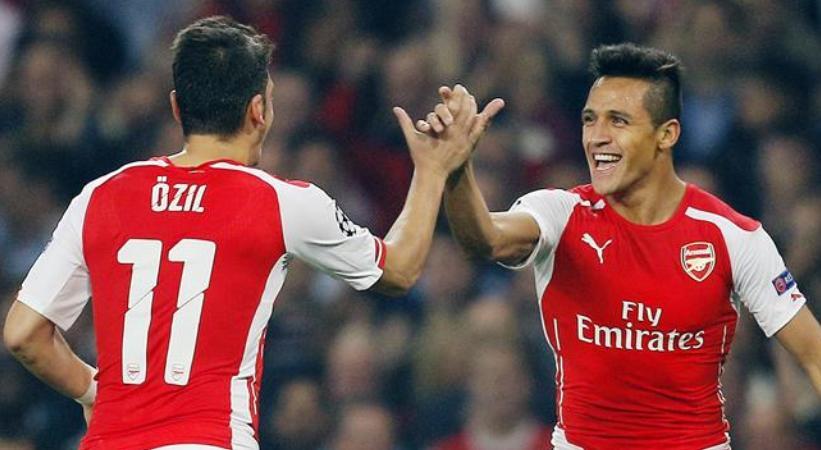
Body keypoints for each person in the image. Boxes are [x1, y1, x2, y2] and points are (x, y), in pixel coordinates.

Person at [1, 16, 500, 450]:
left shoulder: (101, 195)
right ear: (259, 110)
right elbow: (400, 269)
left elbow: (24, 334)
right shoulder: (281, 201)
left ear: (177, 107)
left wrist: (95, 391)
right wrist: (432, 171)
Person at [418, 43, 821, 449]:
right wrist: (457, 168)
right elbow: (483, 239)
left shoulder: (733, 236)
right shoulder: (561, 214)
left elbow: (813, 354)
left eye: (618, 121)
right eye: (589, 120)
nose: (597, 137)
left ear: (666, 134)